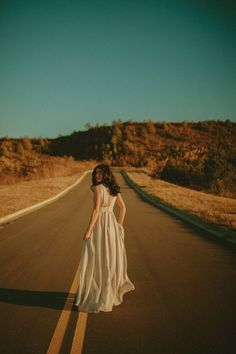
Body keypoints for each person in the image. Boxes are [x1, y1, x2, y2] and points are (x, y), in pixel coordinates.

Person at [74, 163, 135, 313]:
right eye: (96, 174)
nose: (96, 176)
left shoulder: (98, 189)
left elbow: (96, 212)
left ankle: (101, 294)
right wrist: (119, 225)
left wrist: (88, 230)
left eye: (99, 174)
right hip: (112, 226)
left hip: (101, 227)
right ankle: (108, 294)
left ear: (105, 174)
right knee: (109, 259)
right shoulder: (113, 189)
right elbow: (123, 208)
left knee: (98, 259)